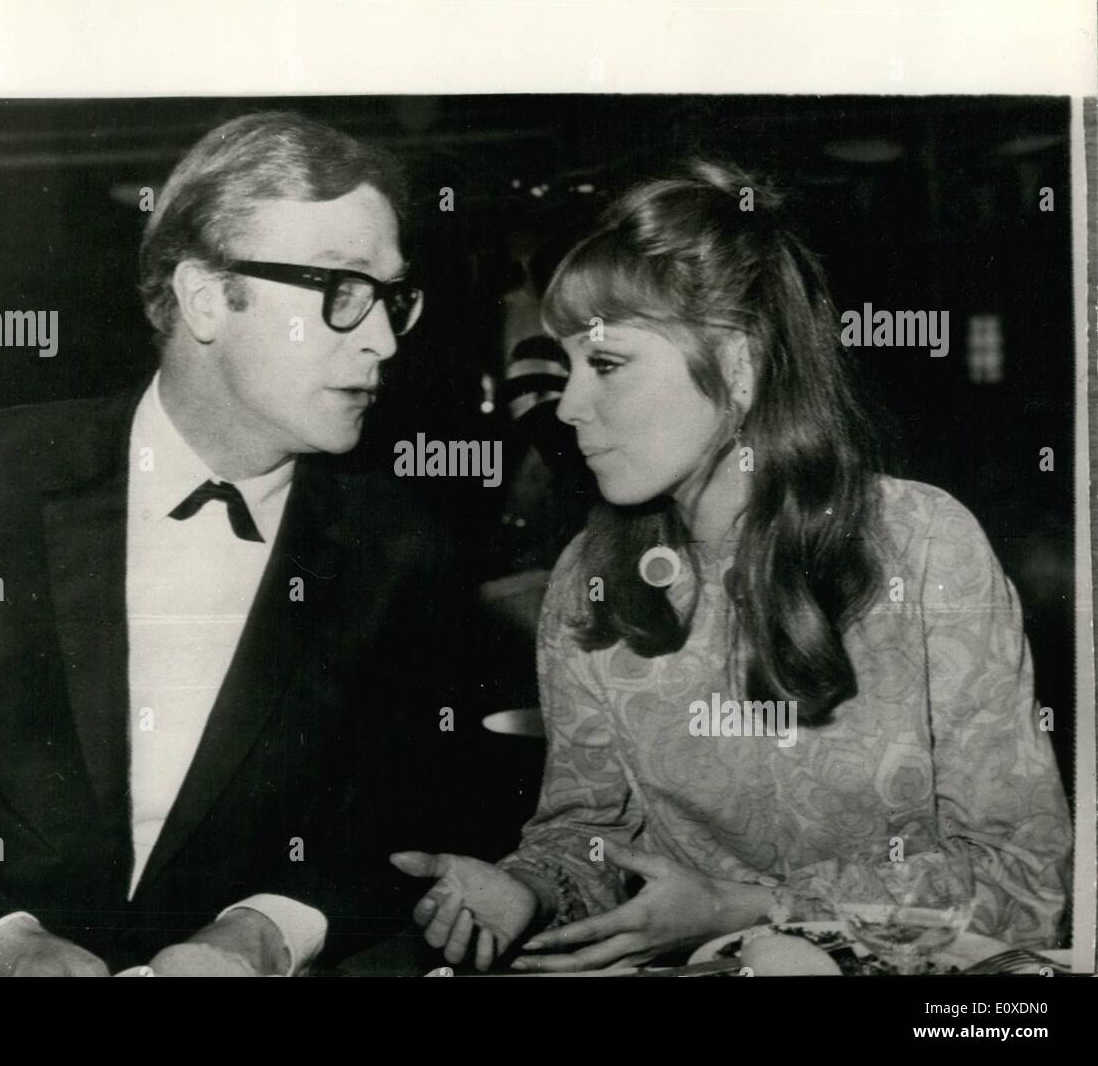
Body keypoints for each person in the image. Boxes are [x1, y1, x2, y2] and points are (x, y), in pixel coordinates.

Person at [0, 111, 476, 975]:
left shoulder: (400, 548)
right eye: (342, 290)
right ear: (207, 297)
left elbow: (413, 808)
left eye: (394, 297)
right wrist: (5, 938)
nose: (385, 339)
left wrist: (264, 929)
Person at [393, 162, 1073, 973]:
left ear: (740, 366)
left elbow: (1029, 879)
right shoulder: (589, 577)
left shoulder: (923, 545)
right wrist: (532, 887)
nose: (569, 406)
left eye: (605, 364)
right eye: (565, 364)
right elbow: (588, 839)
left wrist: (754, 909)